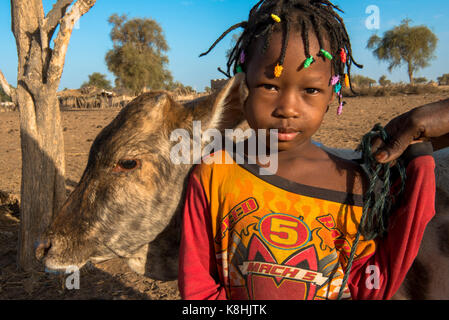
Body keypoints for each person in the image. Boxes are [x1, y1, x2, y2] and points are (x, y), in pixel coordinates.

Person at [178, 0, 437, 300]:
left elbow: (369, 285)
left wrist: (419, 166)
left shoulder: (353, 182)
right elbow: (199, 288)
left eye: (310, 90)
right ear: (242, 86)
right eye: (269, 86)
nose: (287, 108)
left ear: (332, 94)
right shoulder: (214, 173)